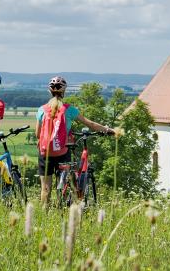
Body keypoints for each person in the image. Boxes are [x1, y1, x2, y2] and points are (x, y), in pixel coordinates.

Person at [36, 76, 114, 205]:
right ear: (64, 91)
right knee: (70, 180)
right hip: (62, 151)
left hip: (45, 153)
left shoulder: (41, 110)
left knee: (45, 188)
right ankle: (67, 201)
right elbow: (91, 124)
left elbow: (38, 134)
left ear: (50, 91)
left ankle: (45, 215)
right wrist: (107, 129)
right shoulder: (69, 110)